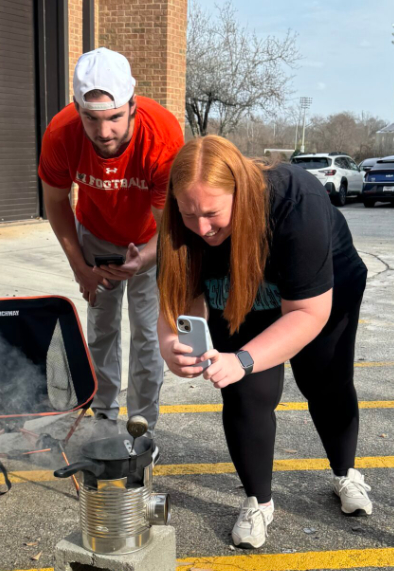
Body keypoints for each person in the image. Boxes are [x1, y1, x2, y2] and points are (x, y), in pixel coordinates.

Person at [157, 135, 371, 549]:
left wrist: (245, 357)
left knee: (324, 381)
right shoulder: (183, 223)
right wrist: (171, 345)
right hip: (242, 288)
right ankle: (258, 500)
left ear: (240, 191)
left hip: (322, 290)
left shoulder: (296, 198)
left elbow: (307, 314)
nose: (201, 229)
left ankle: (346, 474)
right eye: (189, 214)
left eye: (213, 213)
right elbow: (176, 300)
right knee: (244, 391)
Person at [39, 48, 183, 431]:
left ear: (133, 106)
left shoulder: (163, 135)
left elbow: (170, 226)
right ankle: (104, 416)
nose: (104, 132)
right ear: (77, 109)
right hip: (96, 234)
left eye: (115, 118)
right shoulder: (60, 132)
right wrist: (81, 269)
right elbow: (55, 203)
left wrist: (144, 260)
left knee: (148, 335)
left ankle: (142, 423)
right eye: (91, 119)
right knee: (101, 329)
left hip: (150, 239)